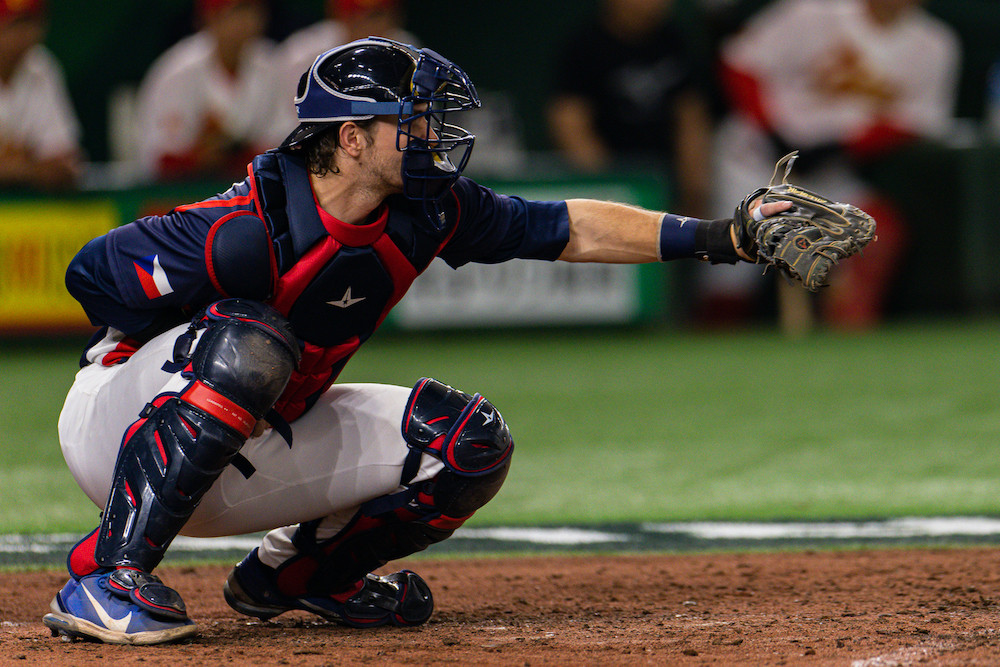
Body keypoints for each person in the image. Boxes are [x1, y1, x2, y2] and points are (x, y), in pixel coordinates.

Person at [42, 37, 792, 646]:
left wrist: (724, 237)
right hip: (118, 424)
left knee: (470, 442)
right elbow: (90, 274)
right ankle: (109, 573)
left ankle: (297, 577)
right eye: (414, 119)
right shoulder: (245, 228)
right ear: (352, 138)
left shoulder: (429, 209)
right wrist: (180, 338)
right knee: (251, 339)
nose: (433, 134)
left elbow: (568, 226)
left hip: (260, 433)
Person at [707, 0, 961, 331]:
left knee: (876, 231)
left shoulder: (934, 43)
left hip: (830, 169)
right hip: (756, 157)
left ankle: (845, 343)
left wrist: (843, 146)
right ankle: (715, 344)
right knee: (726, 270)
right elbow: (738, 64)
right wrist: (772, 132)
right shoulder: (813, 10)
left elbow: (918, 122)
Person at [547, 0, 713, 218]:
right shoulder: (585, 45)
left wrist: (694, 191)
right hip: (614, 187)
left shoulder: (674, 40)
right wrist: (611, 191)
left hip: (665, 185)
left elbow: (690, 117)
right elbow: (569, 122)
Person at [134, 0, 277, 182]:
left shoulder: (270, 63)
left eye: (252, 10)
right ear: (211, 17)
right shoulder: (178, 70)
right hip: (184, 194)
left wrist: (231, 151)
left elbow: (283, 146)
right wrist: (202, 155)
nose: (247, 20)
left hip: (253, 189)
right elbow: (160, 159)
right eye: (237, 11)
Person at [266, 0, 418, 146]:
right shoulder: (302, 53)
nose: (370, 25)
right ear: (340, 17)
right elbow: (284, 126)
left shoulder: (407, 52)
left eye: (378, 15)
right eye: (357, 16)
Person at [0, 0, 81, 190]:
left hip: (31, 212)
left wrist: (16, 167)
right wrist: (31, 164)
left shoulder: (42, 65)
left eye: (30, 24)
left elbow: (64, 161)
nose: (23, 35)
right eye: (13, 25)